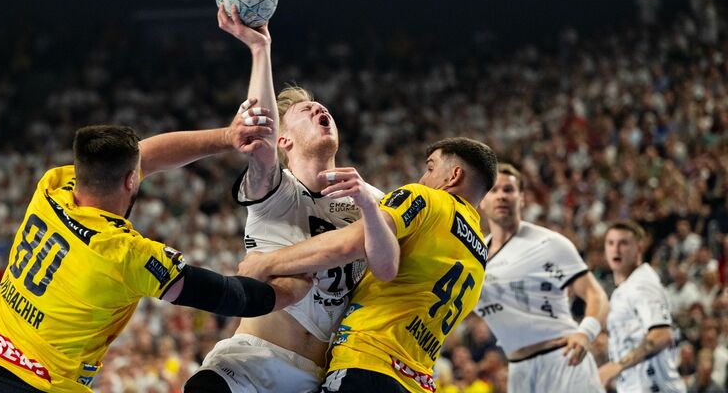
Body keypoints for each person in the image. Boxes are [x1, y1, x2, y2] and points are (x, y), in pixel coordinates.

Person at [0, 116, 310, 393]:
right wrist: (294, 287)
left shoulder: (52, 189)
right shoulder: (125, 253)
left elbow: (143, 156)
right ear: (131, 181)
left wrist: (227, 137)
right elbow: (230, 297)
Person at [184, 5, 393, 393]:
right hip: (251, 362)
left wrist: (369, 206)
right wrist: (260, 50)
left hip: (319, 376)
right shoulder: (275, 191)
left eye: (321, 107)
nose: (318, 107)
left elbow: (388, 269)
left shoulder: (372, 199)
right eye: (304, 110)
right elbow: (257, 137)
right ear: (284, 139)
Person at [239, 137, 498, 393]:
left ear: (454, 175)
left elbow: (350, 244)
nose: (422, 179)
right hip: (417, 381)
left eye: (430, 168)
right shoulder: (479, 256)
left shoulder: (428, 199)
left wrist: (266, 262)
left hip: (368, 363)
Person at [472, 163, 609, 393]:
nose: (502, 196)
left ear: (522, 198)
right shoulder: (474, 256)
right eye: (494, 190)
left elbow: (596, 294)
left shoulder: (549, 243)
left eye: (509, 190)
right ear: (482, 201)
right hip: (518, 370)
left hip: (563, 360)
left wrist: (586, 332)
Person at [598, 220, 686, 392]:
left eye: (623, 243)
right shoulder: (625, 287)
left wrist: (615, 366)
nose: (616, 249)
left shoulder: (642, 284)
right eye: (610, 243)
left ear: (639, 247)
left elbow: (662, 334)